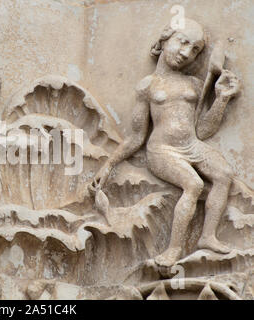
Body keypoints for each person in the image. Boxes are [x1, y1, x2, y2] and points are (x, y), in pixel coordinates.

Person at [90, 19, 240, 267]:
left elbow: (202, 130)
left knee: (224, 174)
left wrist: (221, 99)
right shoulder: (148, 86)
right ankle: (173, 249)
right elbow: (137, 136)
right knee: (193, 184)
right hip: (162, 151)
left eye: (195, 50)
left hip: (192, 146)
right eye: (183, 42)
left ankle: (207, 236)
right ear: (165, 39)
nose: (186, 53)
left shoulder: (193, 84)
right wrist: (108, 165)